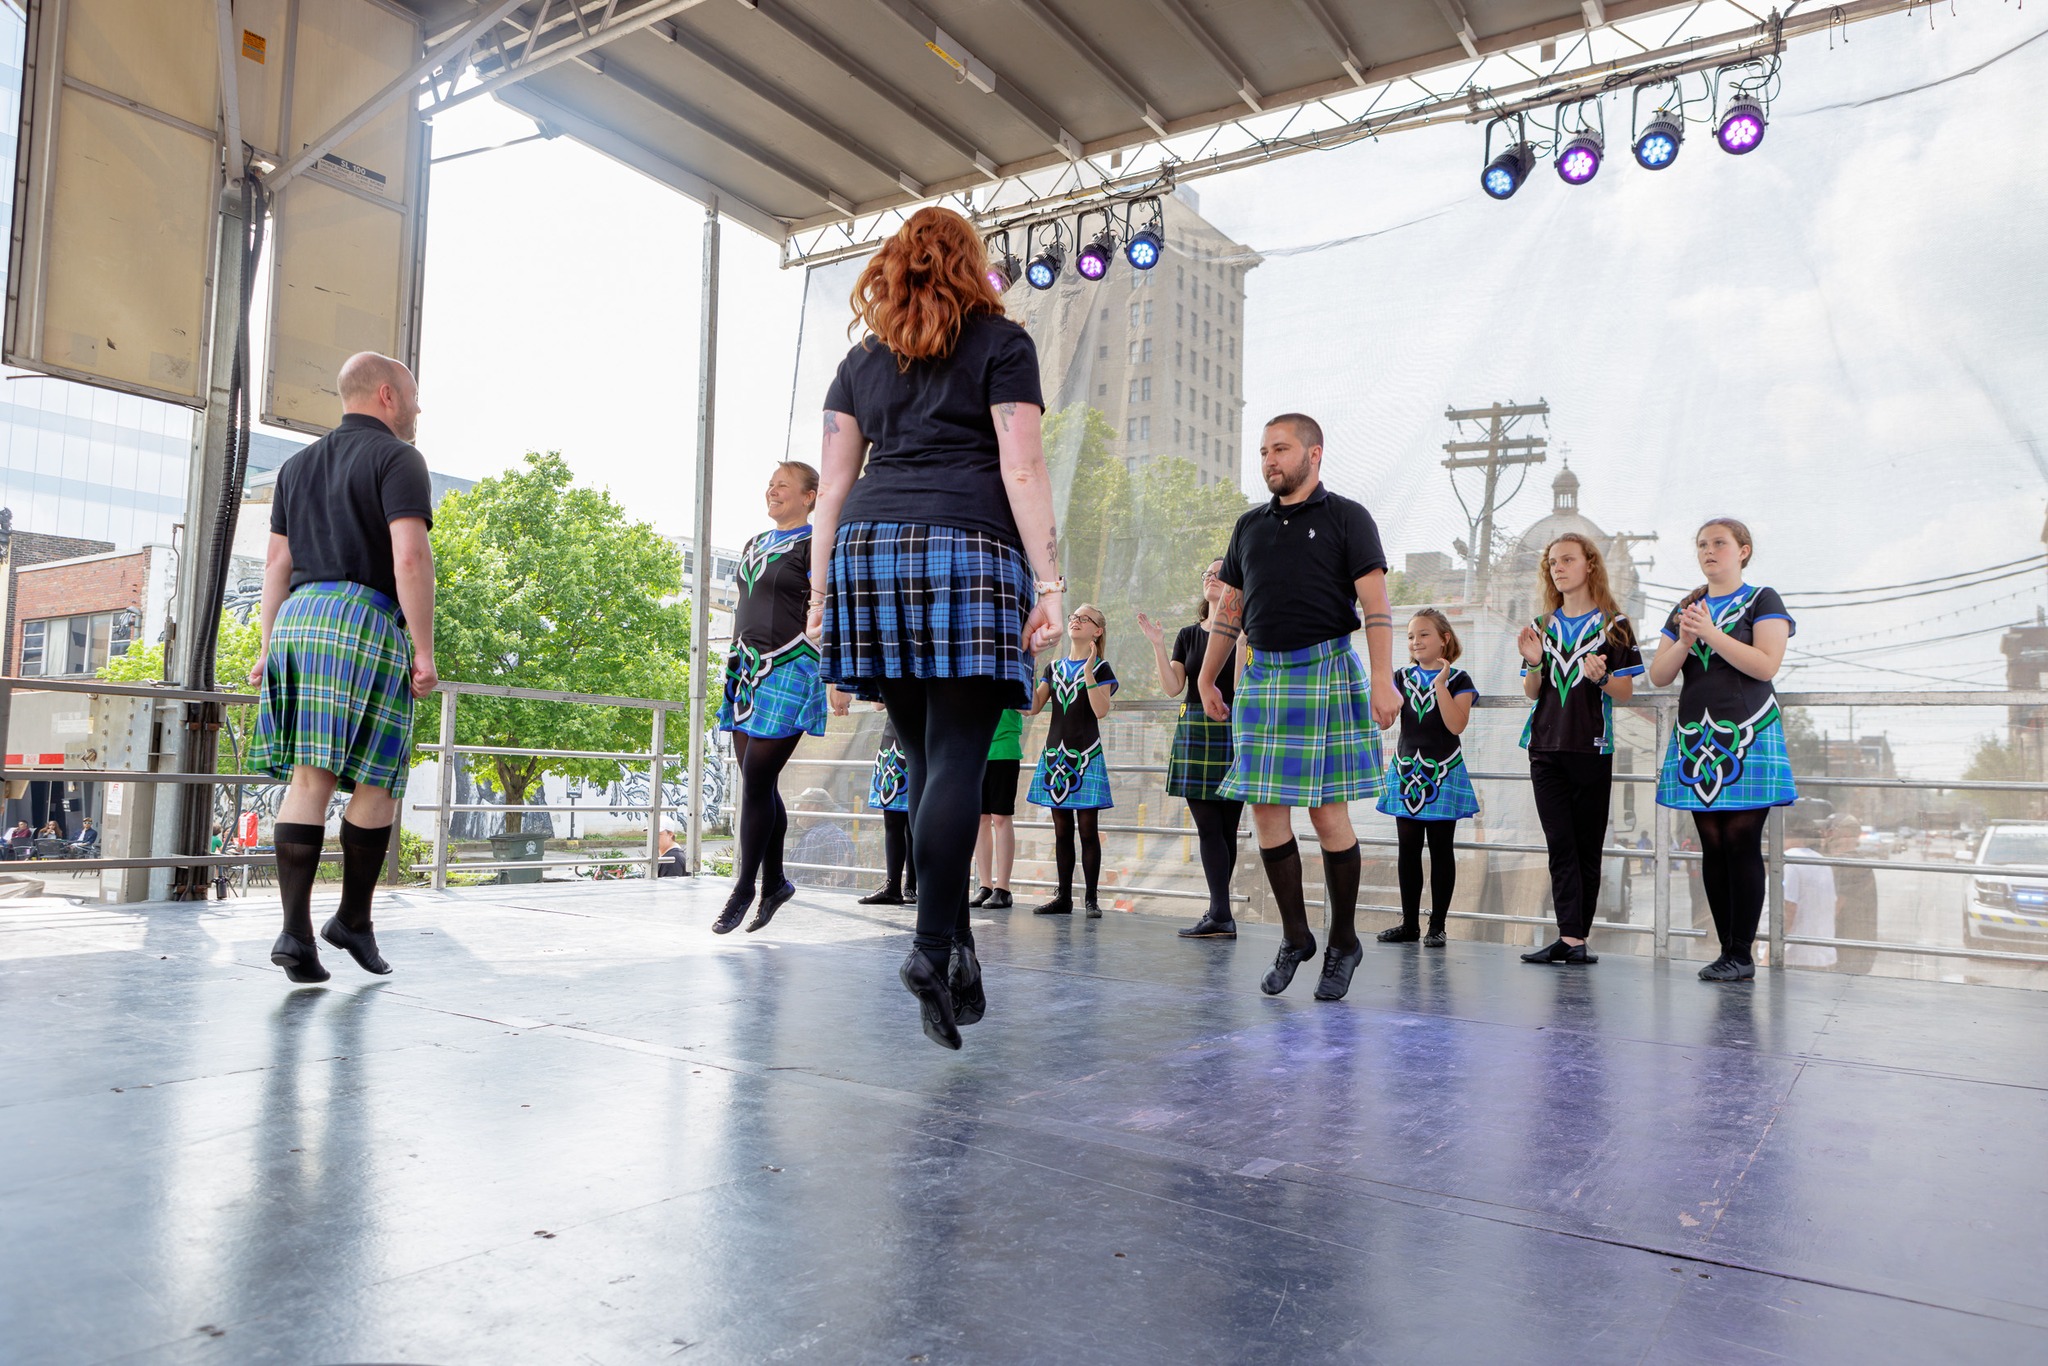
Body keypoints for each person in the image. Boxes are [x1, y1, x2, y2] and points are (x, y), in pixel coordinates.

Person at [811, 207, 1064, 1052]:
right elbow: (1021, 464)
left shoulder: (859, 363)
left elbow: (832, 491)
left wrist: (819, 595)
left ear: (894, 267)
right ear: (970, 264)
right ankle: (928, 948)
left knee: (924, 763)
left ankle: (953, 944)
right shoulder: (1002, 344)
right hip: (965, 549)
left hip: (868, 551)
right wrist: (1051, 582)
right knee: (958, 758)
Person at [1197, 414, 1398, 1002]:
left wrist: (1383, 680)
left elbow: (1378, 607)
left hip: (1327, 670)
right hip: (1263, 678)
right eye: (1263, 451)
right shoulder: (1248, 527)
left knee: (1328, 815)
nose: (1269, 461)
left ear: (1314, 453)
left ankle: (1342, 942)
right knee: (1264, 812)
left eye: (1280, 449)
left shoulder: (1347, 517)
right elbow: (1228, 613)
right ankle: (1295, 936)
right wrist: (1210, 676)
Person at [250, 352, 437, 983]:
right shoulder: (398, 458)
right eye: (413, 397)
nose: (418, 409)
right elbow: (408, 556)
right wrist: (424, 649)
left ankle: (295, 933)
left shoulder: (296, 467)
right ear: (387, 394)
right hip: (361, 617)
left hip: (299, 620)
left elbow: (276, 566)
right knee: (378, 779)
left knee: (310, 780)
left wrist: (268, 646)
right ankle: (352, 919)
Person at [1646, 517, 1797, 981]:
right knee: (1710, 844)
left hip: (1748, 733)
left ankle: (1742, 953)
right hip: (1698, 737)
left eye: (1719, 543)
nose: (1709, 551)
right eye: (1701, 545)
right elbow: (1659, 675)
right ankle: (1725, 950)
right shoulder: (1686, 607)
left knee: (1741, 842)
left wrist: (1710, 634)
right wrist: (1688, 637)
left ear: (1743, 551)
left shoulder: (1762, 599)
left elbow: (1766, 664)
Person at [1515, 532, 1644, 967]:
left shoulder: (1615, 624)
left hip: (1592, 747)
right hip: (1545, 747)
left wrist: (1602, 678)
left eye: (1567, 559)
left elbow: (1625, 691)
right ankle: (1570, 938)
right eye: (1552, 562)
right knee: (1560, 843)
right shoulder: (1542, 625)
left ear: (1590, 564)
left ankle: (1575, 939)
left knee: (1587, 846)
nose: (1558, 567)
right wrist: (1534, 662)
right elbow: (1533, 692)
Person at [712, 462, 829, 936]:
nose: (773, 489)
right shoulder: (754, 543)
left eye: (784, 484)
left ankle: (744, 887)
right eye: (770, 483)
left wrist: (839, 677)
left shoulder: (819, 545)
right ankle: (775, 881)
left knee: (757, 781)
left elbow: (832, 611)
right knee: (759, 782)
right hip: (745, 669)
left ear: (810, 496)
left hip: (792, 666)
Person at [1138, 558, 1243, 939]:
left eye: (1219, 573)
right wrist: (1158, 644)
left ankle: (1219, 912)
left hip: (1236, 729)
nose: (1210, 578)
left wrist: (1243, 637)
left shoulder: (1246, 632)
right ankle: (1220, 912)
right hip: (1196, 728)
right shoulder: (1187, 634)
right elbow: (1172, 687)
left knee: (1228, 828)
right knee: (1208, 826)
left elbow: (1241, 684)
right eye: (1206, 575)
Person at [1373, 609, 1479, 947]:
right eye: (1411, 636)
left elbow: (1456, 724)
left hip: (1443, 772)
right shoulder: (1399, 677)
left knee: (1441, 849)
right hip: (1406, 772)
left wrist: (1440, 685)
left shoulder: (1460, 679)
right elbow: (1384, 720)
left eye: (1424, 634)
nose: (1416, 641)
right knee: (1407, 849)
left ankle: (1438, 926)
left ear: (1444, 638)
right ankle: (1409, 924)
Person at [1028, 603, 1118, 917]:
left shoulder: (1102, 668)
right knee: (1061, 831)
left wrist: (1090, 671)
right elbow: (1032, 707)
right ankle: (1063, 897)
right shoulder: (1053, 669)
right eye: (1073, 617)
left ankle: (1091, 899)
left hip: (1087, 756)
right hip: (1056, 757)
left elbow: (1100, 710)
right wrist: (1030, 662)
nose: (1076, 621)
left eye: (1084, 618)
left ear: (1097, 630)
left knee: (1088, 830)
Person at [859, 707, 918, 905]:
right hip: (893, 742)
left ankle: (911, 886)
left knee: (915, 822)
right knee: (894, 821)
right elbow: (877, 704)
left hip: (921, 740)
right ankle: (895, 887)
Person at [971, 707, 1026, 910]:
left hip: (1004, 750)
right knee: (980, 818)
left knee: (1001, 817)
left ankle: (1003, 888)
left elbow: (1030, 707)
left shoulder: (1014, 673)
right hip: (975, 749)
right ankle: (985, 885)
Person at [1780, 811, 1837, 969]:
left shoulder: (1788, 861)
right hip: (1819, 955)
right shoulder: (1820, 860)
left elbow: (1788, 910)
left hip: (1793, 958)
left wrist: (1769, 954)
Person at [1827, 812, 1877, 973]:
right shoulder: (1844, 860)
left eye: (1850, 835)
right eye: (1843, 835)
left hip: (1849, 940)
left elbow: (1837, 905)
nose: (1846, 839)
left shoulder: (1852, 863)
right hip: (1851, 941)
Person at [788, 788, 856, 888]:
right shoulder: (840, 833)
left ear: (817, 808)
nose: (797, 808)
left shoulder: (814, 837)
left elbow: (803, 881)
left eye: (802, 804)